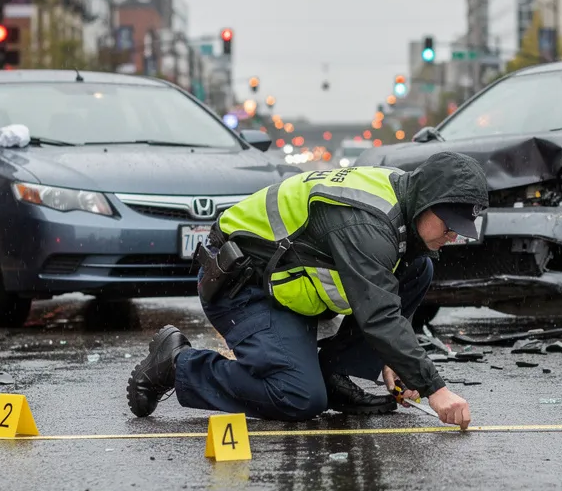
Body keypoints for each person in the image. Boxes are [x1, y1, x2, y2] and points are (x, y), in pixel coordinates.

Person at [126, 151, 490, 428]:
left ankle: (331, 373)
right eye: (449, 224)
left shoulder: (404, 197)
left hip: (289, 288)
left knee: (419, 266)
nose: (453, 236)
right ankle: (177, 365)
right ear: (426, 202)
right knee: (298, 397)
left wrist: (392, 360)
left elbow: (388, 299)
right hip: (243, 287)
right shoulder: (367, 223)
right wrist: (434, 389)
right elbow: (378, 314)